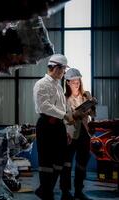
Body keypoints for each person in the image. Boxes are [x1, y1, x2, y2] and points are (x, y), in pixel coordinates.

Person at [33, 54, 82, 200]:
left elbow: (64, 109)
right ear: (54, 67)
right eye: (63, 70)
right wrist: (65, 116)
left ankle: (44, 189)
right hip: (47, 125)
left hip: (59, 125)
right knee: (46, 162)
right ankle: (46, 193)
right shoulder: (41, 84)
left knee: (60, 160)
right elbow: (44, 106)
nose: (64, 73)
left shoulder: (58, 86)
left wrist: (66, 128)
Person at [60, 68, 95, 200]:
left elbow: (92, 115)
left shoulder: (85, 96)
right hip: (69, 134)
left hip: (84, 134)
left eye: (78, 82)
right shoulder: (63, 99)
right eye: (74, 82)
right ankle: (65, 192)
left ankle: (79, 191)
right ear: (68, 83)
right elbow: (63, 118)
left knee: (81, 164)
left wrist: (91, 104)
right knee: (67, 164)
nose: (77, 84)